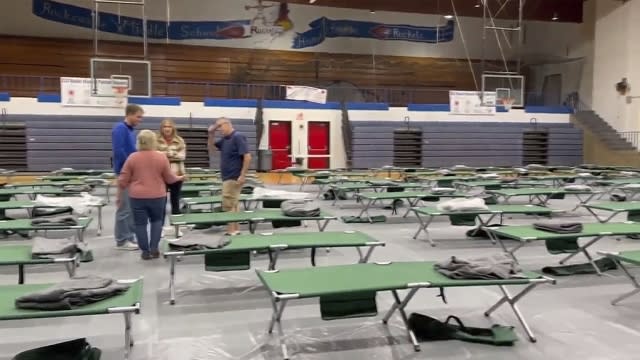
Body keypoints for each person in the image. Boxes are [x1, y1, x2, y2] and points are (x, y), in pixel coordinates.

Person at [117, 130, 185, 260]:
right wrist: (180, 177)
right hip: (157, 196)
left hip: (137, 197)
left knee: (140, 224)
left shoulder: (132, 157)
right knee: (157, 222)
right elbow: (170, 179)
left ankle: (145, 251)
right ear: (154, 142)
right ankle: (154, 249)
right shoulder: (161, 157)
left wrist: (119, 197)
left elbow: (122, 181)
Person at [208, 117, 252, 236]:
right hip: (227, 176)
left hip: (233, 176)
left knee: (228, 204)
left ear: (227, 124)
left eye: (220, 126)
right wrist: (211, 134)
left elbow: (247, 157)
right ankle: (235, 230)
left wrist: (242, 175)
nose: (219, 129)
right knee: (234, 204)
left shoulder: (237, 136)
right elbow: (211, 149)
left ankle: (231, 230)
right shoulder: (225, 139)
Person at [111, 104, 143, 250]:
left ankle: (129, 236)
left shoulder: (130, 131)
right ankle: (122, 240)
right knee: (124, 207)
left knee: (130, 208)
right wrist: (129, 168)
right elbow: (119, 151)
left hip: (132, 173)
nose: (140, 120)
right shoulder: (120, 129)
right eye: (138, 116)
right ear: (129, 114)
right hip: (125, 172)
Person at [156, 119, 186, 215]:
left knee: (175, 201)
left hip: (177, 174)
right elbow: (154, 156)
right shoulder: (156, 140)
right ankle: (159, 224)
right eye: (165, 126)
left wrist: (166, 154)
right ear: (161, 128)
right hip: (161, 175)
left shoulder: (180, 140)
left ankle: (176, 225)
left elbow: (182, 156)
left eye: (169, 126)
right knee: (161, 200)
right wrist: (172, 154)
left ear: (173, 128)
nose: (167, 129)